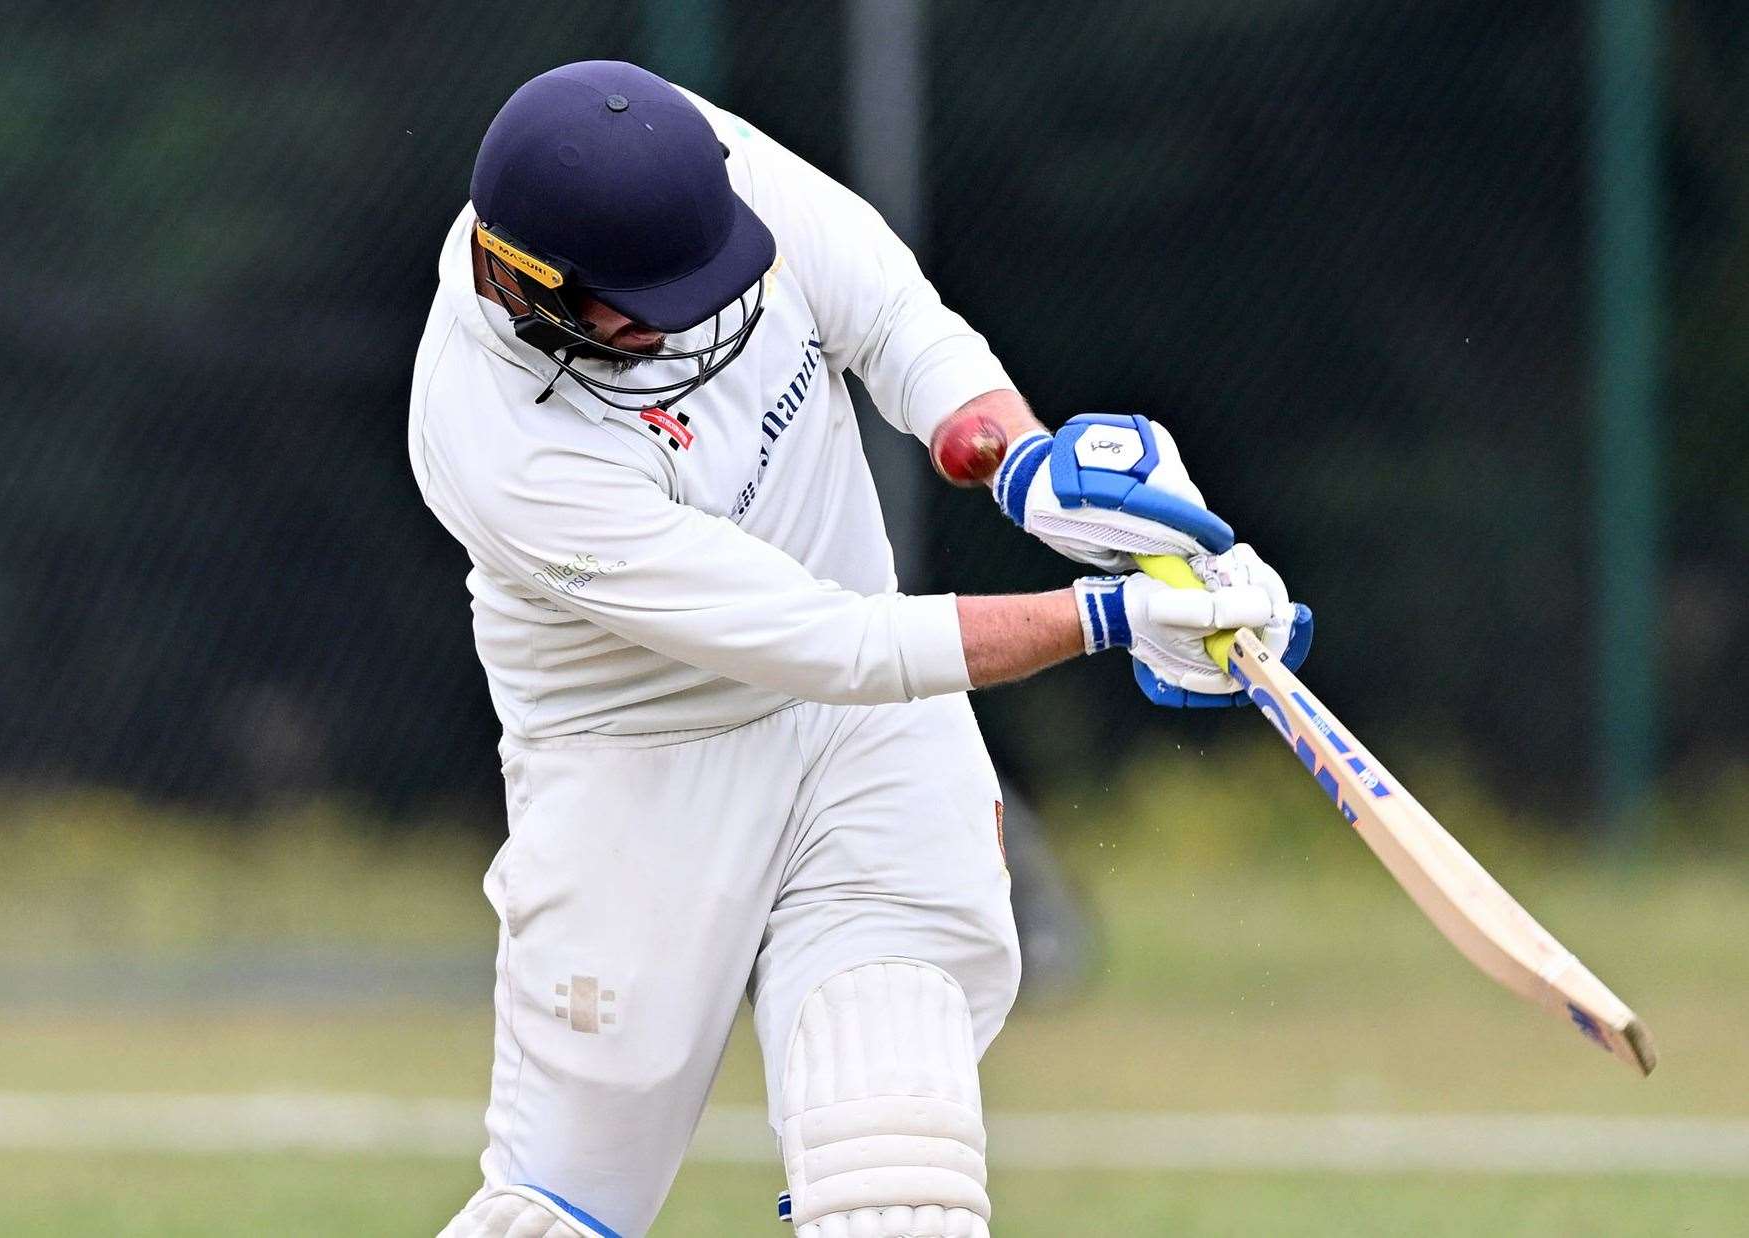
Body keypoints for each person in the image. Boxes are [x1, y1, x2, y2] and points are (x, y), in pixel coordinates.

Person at [408, 60, 1310, 1238]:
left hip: (866, 743)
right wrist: (1105, 615)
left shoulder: (695, 170)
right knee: (564, 1212)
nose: (696, 318)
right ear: (530, 287)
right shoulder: (499, 446)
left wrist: (1026, 461)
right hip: (643, 779)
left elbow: (887, 316)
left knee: (900, 1187)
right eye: (648, 307)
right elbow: (825, 640)